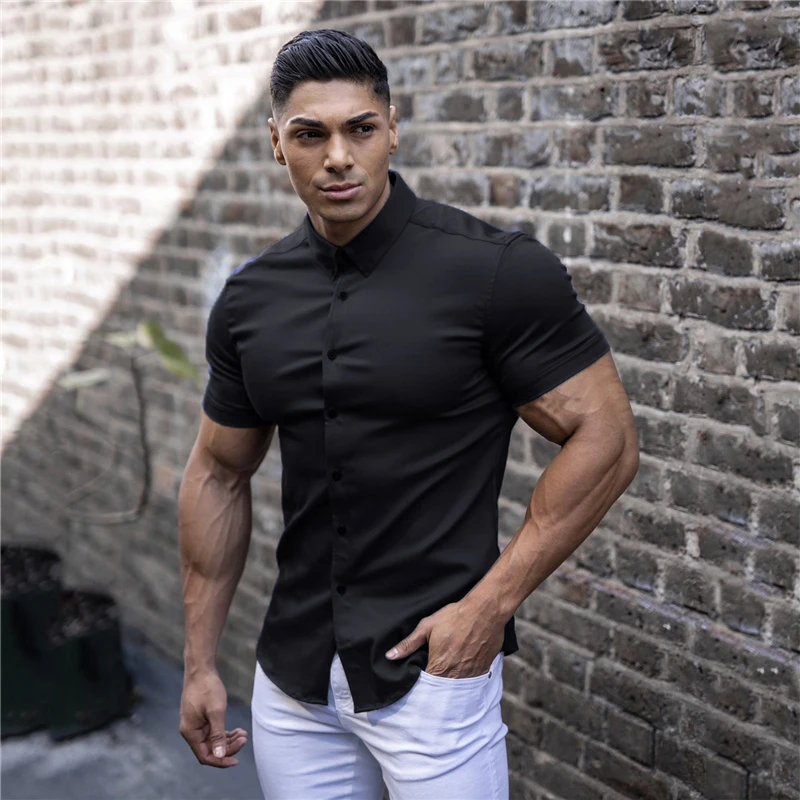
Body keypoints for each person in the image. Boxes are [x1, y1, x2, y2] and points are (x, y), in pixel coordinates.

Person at [178, 27, 639, 800]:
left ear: (392, 129)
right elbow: (219, 473)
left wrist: (490, 607)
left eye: (360, 128)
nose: (338, 156)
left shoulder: (495, 272)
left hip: (432, 678)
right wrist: (198, 662)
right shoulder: (250, 299)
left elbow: (609, 439)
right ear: (276, 142)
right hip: (293, 682)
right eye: (310, 134)